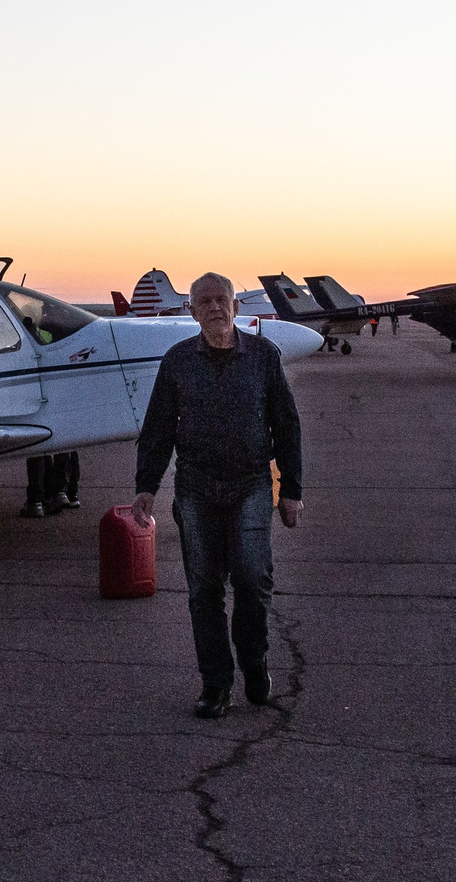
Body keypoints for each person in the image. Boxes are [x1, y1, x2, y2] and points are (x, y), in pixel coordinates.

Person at [134, 272, 304, 719]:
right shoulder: (177, 362)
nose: (214, 307)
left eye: (221, 299)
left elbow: (286, 426)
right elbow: (157, 429)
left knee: (252, 579)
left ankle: (254, 660)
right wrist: (146, 486)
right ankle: (216, 684)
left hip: (251, 483)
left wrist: (292, 490)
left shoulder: (264, 357)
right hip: (195, 487)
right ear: (191, 311)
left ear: (235, 307)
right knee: (204, 590)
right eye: (204, 301)